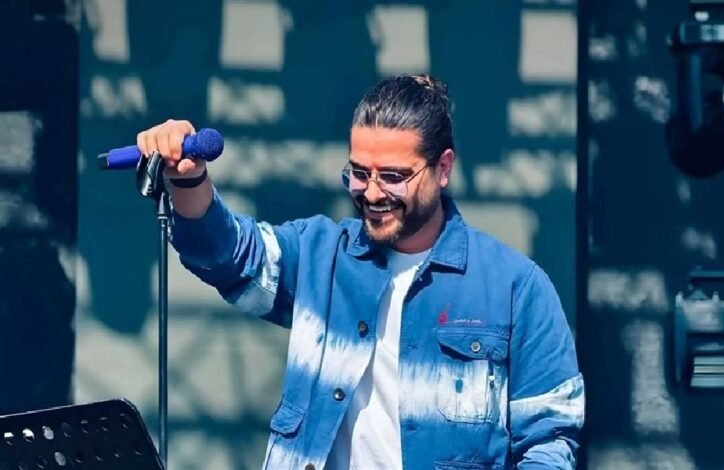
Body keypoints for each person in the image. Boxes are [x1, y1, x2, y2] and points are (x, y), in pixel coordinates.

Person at [137, 74, 584, 470]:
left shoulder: (516, 287)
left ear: (443, 168)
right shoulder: (319, 255)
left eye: (393, 176)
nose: (371, 193)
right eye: (358, 173)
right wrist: (188, 179)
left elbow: (549, 440)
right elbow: (227, 255)